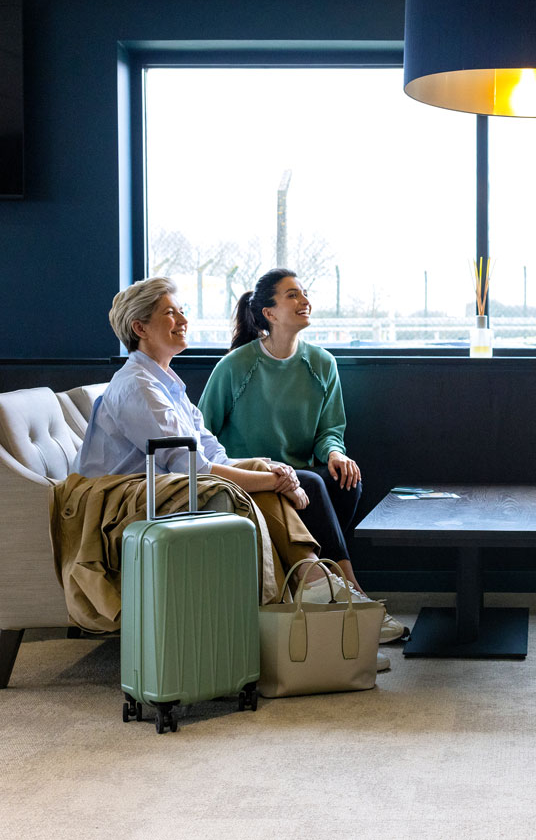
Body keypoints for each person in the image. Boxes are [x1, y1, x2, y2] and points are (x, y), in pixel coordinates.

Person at [73, 277, 395, 669]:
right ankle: (320, 588)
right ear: (140, 328)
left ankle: (317, 589)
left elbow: (213, 452)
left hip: (171, 486)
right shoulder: (138, 387)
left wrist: (274, 471)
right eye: (169, 313)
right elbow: (194, 468)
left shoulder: (166, 384)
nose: (182, 320)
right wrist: (274, 479)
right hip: (129, 503)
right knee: (264, 484)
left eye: (182, 311)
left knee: (275, 474)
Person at [197, 268, 408, 644]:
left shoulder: (322, 363)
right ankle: (351, 590)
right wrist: (246, 471)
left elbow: (330, 430)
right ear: (268, 312)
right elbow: (202, 432)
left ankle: (324, 587)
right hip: (253, 479)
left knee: (345, 483)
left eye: (304, 293)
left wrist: (335, 454)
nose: (304, 300)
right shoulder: (235, 366)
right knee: (309, 481)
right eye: (292, 295)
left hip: (299, 473)